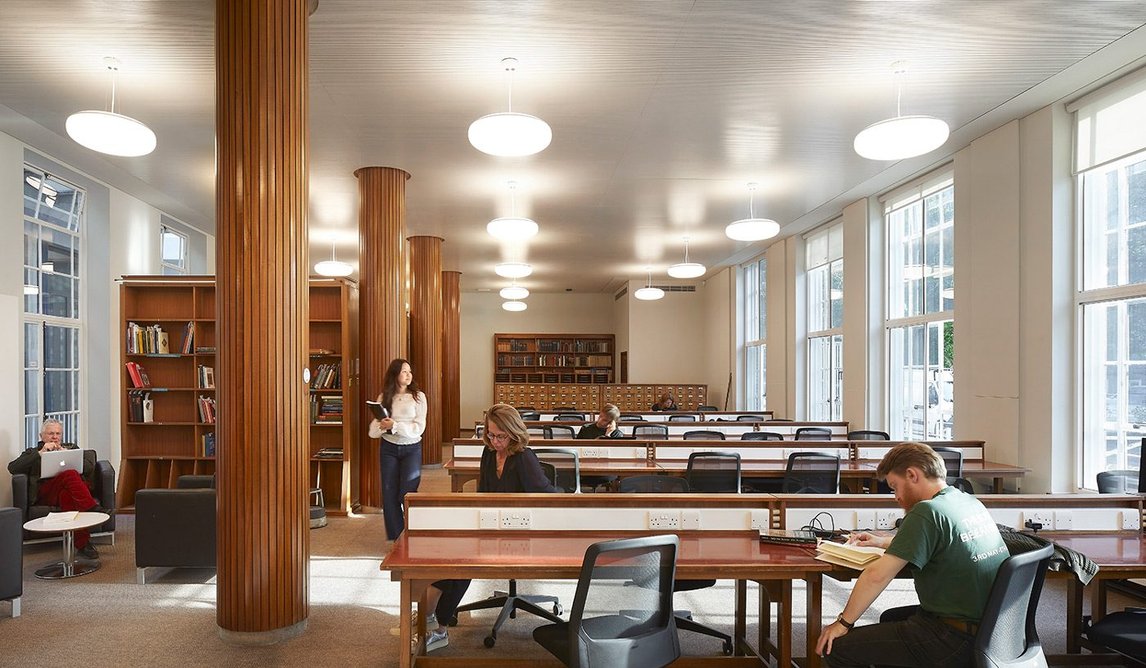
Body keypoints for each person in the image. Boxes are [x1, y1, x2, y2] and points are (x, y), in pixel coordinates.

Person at [816, 442, 1008, 667]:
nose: (895, 496)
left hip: (953, 638)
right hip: (992, 630)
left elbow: (876, 576)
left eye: (894, 486)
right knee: (890, 618)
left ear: (911, 474)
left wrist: (843, 624)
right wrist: (883, 542)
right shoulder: (964, 501)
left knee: (837, 648)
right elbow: (944, 541)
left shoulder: (926, 511)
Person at [423, 403, 557, 652]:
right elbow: (483, 494)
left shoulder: (524, 457)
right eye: (491, 435)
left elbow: (546, 496)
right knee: (453, 554)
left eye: (501, 436)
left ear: (514, 433)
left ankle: (439, 625)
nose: (495, 441)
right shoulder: (488, 453)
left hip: (521, 532)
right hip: (491, 525)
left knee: (464, 562)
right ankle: (432, 618)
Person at [8, 418, 106, 560]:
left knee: (66, 495)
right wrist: (40, 454)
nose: (55, 437)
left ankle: (83, 544)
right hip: (46, 492)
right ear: (41, 436)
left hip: (69, 491)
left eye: (58, 433)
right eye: (51, 433)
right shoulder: (33, 452)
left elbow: (89, 467)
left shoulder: (71, 448)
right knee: (70, 474)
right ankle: (91, 507)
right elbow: (13, 467)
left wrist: (66, 453)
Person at [368, 358, 427, 542]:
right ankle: (397, 538)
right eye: (404, 372)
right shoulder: (383, 397)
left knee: (407, 492)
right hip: (389, 448)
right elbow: (373, 431)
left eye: (410, 371)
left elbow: (419, 427)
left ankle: (411, 532)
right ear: (395, 375)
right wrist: (384, 426)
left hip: (411, 448)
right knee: (389, 491)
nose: (408, 375)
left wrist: (395, 425)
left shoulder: (419, 397)